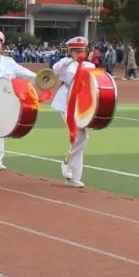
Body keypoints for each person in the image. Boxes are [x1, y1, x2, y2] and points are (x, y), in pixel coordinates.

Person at [0, 29, 36, 171]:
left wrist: (40, 78)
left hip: (6, 100)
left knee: (2, 128)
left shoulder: (9, 61)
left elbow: (24, 73)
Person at [52, 36, 95, 188]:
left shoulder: (90, 65)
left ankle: (73, 176)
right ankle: (67, 164)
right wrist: (69, 61)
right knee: (79, 135)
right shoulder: (65, 63)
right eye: (76, 51)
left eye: (82, 50)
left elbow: (95, 83)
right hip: (65, 103)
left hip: (81, 104)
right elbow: (54, 70)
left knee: (82, 137)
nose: (79, 53)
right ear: (70, 51)